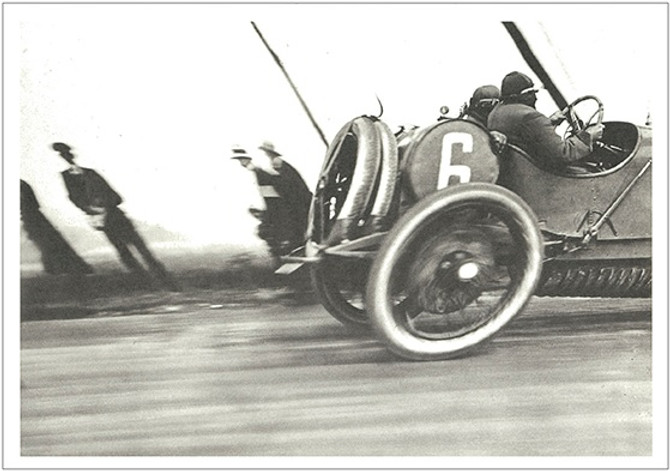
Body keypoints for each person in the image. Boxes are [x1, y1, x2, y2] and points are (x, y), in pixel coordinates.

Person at [52, 142, 179, 291]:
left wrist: (104, 203)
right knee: (124, 251)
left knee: (140, 248)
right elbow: (75, 199)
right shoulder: (67, 177)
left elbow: (116, 196)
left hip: (116, 215)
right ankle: (143, 281)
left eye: (68, 154)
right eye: (64, 155)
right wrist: (92, 209)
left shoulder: (91, 173)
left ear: (72, 155)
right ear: (62, 157)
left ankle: (163, 280)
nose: (68, 157)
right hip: (103, 219)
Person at [487, 71, 604, 167]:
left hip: (518, 173)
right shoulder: (530, 117)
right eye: (531, 93)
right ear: (522, 95)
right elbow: (563, 153)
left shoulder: (496, 112)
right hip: (542, 178)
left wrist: (549, 122)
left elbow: (527, 136)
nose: (536, 98)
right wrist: (588, 136)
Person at [231, 146, 294, 261]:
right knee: (268, 231)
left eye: (241, 160)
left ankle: (283, 253)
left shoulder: (261, 172)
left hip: (278, 209)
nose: (241, 163)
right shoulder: (260, 172)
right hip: (275, 208)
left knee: (268, 231)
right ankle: (281, 253)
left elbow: (275, 193)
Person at [21, 179, 94, 275]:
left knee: (45, 243)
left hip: (31, 217)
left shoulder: (20, 185)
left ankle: (58, 268)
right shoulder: (22, 184)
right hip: (34, 217)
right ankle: (60, 268)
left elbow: (26, 204)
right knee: (49, 242)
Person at [258, 141, 312, 251]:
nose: (266, 154)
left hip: (298, 198)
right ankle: (298, 243)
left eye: (266, 152)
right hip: (298, 196)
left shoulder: (277, 162)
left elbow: (284, 182)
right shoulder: (278, 162)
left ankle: (298, 244)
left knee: (296, 220)